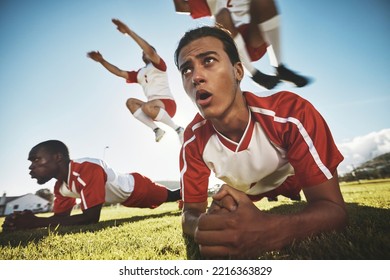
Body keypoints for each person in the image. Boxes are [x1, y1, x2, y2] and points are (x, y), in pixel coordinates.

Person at [174, 26, 347, 258]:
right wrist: (206, 228)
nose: (195, 77)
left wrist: (271, 231)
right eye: (186, 70)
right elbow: (190, 213)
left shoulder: (291, 113)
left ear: (237, 71)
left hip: (293, 180)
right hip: (246, 191)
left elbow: (335, 210)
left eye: (209, 60)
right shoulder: (192, 140)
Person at [1, 140, 181, 231]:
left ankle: (194, 189)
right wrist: (26, 219)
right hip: (126, 199)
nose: (31, 167)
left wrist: (35, 223)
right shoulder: (59, 188)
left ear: (58, 157)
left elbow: (91, 218)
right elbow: (61, 218)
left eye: (36, 160)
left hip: (138, 188)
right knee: (172, 196)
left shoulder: (87, 168)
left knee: (173, 195)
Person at [173, 0, 310, 89]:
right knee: (222, 14)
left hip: (255, 37)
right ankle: (254, 74)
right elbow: (182, 7)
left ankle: (280, 67)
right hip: (229, 44)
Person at [88, 19, 184, 143]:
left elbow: (149, 50)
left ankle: (177, 129)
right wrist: (102, 60)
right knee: (130, 102)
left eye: (146, 51)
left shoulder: (159, 65)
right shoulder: (139, 73)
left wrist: (129, 32)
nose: (144, 53)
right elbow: (119, 72)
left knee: (147, 106)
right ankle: (156, 130)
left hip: (167, 104)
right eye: (142, 53)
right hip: (153, 109)